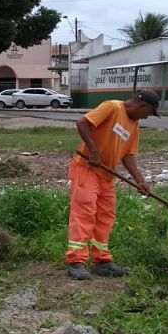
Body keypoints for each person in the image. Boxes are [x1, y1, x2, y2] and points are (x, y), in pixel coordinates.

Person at [66, 90, 159, 280]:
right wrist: (93, 151)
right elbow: (83, 123)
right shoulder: (113, 107)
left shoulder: (134, 125)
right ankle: (76, 262)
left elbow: (128, 155)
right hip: (87, 168)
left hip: (107, 175)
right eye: (149, 112)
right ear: (143, 106)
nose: (147, 116)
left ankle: (102, 261)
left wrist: (140, 180)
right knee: (84, 213)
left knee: (105, 216)